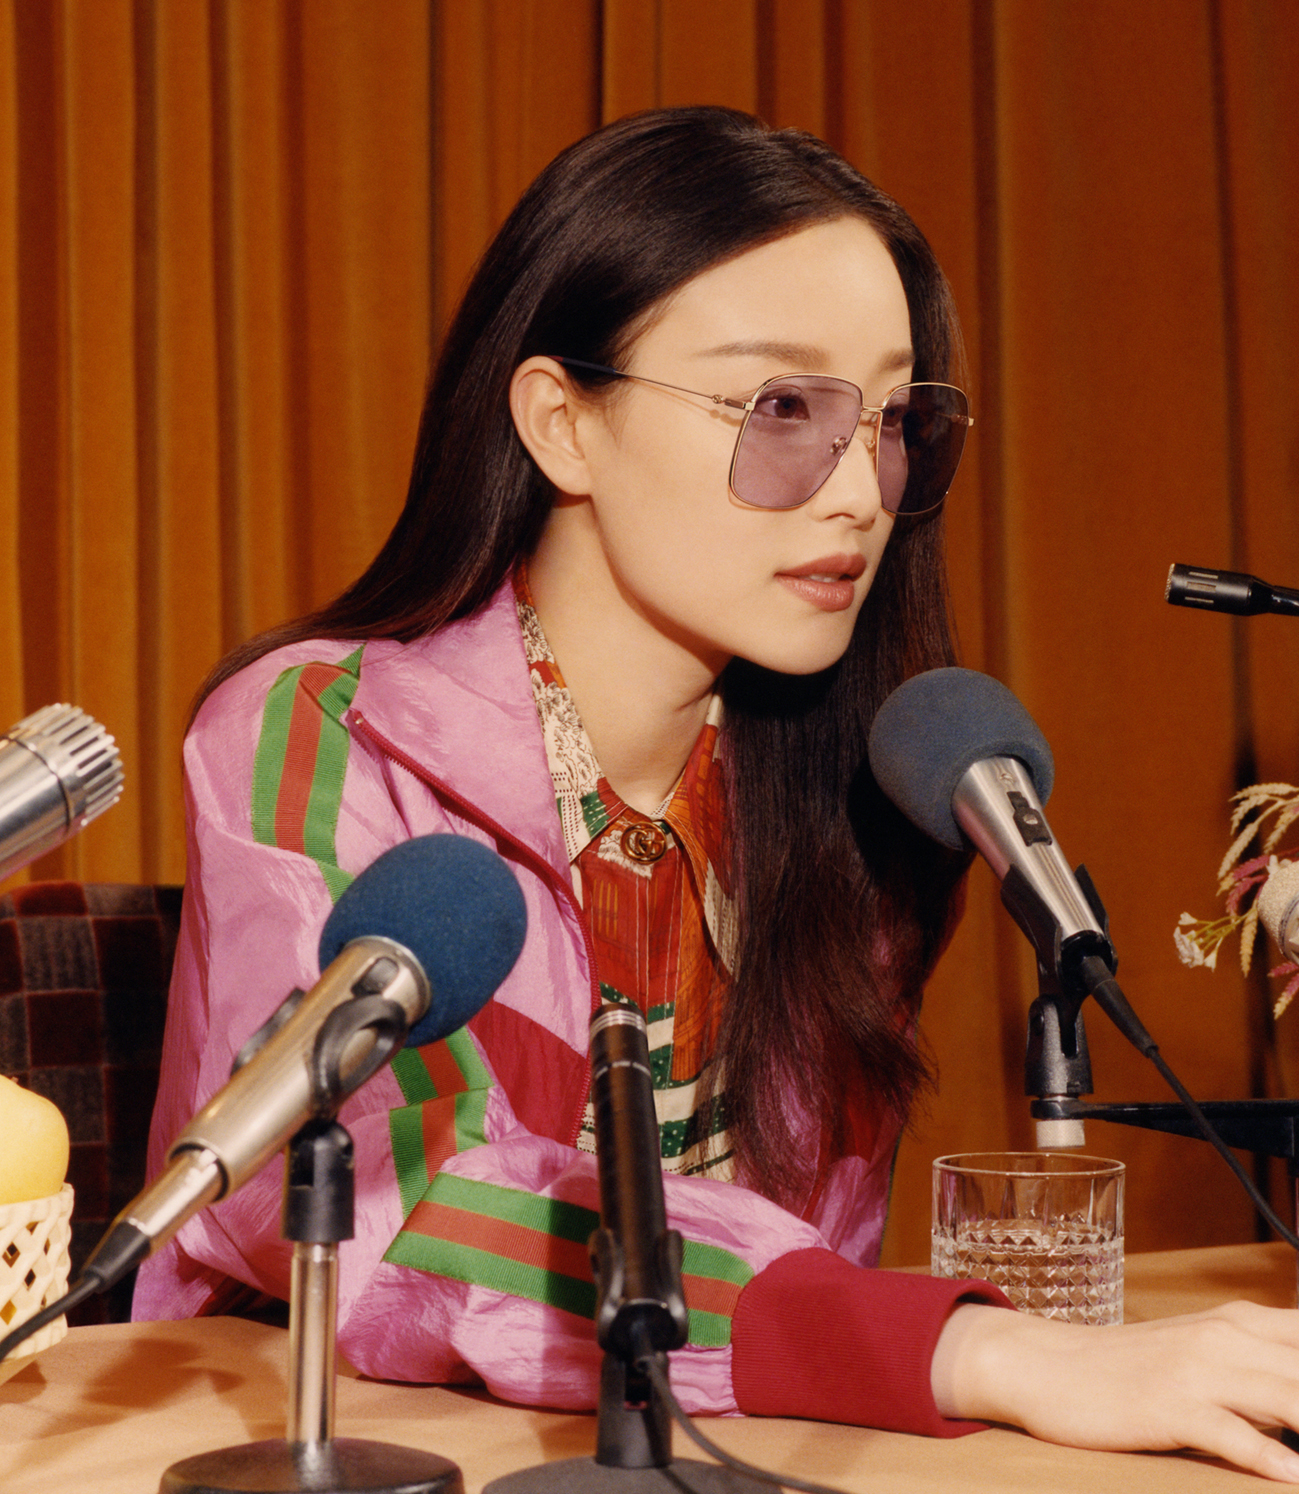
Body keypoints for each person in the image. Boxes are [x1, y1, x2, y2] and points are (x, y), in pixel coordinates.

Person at [135, 107, 1299, 1481]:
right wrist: (976, 1350)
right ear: (563, 423)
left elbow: (804, 1284)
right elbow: (401, 1200)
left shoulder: (855, 799)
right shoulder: (322, 732)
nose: (860, 492)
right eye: (782, 410)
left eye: (893, 423)